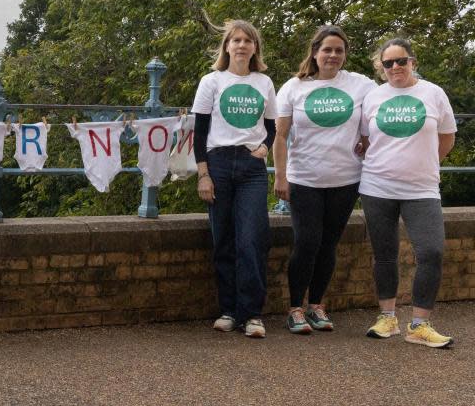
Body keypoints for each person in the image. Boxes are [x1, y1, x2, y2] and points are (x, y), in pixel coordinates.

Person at [274, 26, 375, 334]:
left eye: (339, 50)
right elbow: (279, 136)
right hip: (305, 178)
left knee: (329, 244)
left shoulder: (361, 85)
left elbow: (378, 115)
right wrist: (281, 176)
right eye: (327, 49)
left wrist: (366, 139)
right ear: (315, 52)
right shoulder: (294, 87)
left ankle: (317, 305)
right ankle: (295, 308)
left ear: (345, 55)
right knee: (307, 243)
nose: (333, 55)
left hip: (346, 179)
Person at [359, 38, 457, 348]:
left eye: (401, 61)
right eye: (388, 63)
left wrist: (425, 164)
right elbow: (364, 141)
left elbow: (447, 137)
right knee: (385, 255)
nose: (395, 67)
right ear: (381, 67)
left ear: (412, 61)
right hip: (377, 187)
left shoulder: (433, 93)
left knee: (431, 252)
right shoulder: (373, 98)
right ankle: (387, 318)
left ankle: (419, 324)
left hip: (422, 188)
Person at [193, 20, 277, 339]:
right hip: (218, 162)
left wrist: (265, 147)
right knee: (224, 239)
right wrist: (203, 174)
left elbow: (271, 126)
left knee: (252, 238)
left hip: (251, 167)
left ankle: (252, 313)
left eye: (247, 40)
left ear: (255, 48)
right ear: (226, 46)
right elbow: (199, 132)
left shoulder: (264, 82)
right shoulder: (211, 81)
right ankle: (229, 310)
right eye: (236, 40)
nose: (241, 45)